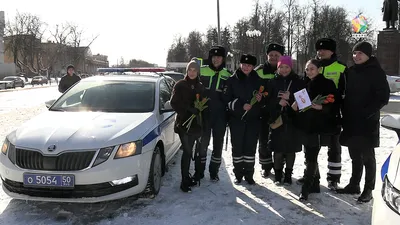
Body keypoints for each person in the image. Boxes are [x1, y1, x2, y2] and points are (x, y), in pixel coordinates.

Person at [336, 41, 390, 203]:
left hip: (367, 122)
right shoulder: (350, 71)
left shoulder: (376, 72)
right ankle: (354, 184)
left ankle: (368, 189)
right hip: (351, 120)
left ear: (368, 55)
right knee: (354, 155)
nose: (356, 56)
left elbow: (383, 97)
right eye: (354, 53)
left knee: (367, 156)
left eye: (360, 53)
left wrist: (367, 112)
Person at [298, 38, 347, 190]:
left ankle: (333, 178)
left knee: (334, 147)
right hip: (312, 117)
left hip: (331, 114)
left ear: (332, 51)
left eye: (324, 49)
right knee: (311, 147)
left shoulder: (341, 68)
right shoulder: (311, 66)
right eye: (319, 49)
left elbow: (345, 91)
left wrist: (335, 108)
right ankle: (311, 175)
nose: (321, 51)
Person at [292, 59, 339, 200]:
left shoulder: (327, 83)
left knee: (311, 156)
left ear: (319, 69)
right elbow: (299, 102)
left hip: (319, 126)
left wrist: (322, 107)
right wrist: (295, 105)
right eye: (307, 69)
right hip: (305, 125)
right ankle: (315, 183)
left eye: (312, 69)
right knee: (308, 154)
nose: (309, 71)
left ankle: (306, 188)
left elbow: (335, 104)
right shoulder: (304, 83)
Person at [223, 54, 264, 184]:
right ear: (240, 64)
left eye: (249, 65)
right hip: (237, 120)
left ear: (253, 67)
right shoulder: (231, 80)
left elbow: (265, 100)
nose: (246, 67)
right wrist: (241, 106)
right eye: (244, 65)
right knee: (237, 148)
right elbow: (226, 100)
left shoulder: (258, 80)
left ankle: (249, 174)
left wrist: (260, 99)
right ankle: (238, 174)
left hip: (253, 120)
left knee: (250, 148)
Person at [170, 59, 206, 192]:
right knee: (187, 151)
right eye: (189, 70)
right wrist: (188, 109)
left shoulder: (200, 86)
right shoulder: (180, 85)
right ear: (186, 71)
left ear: (198, 72)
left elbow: (203, 104)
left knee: (193, 150)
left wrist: (200, 110)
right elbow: (173, 102)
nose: (192, 72)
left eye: (194, 70)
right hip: (183, 124)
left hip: (195, 124)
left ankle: (191, 176)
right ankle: (184, 180)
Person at [198, 46, 232, 182]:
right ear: (210, 58)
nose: (216, 59)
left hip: (220, 115)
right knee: (202, 144)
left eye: (219, 57)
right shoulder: (202, 70)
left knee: (218, 145)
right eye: (214, 57)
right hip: (204, 114)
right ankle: (199, 171)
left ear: (223, 59)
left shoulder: (228, 74)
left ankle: (214, 171)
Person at [268, 56, 303, 185]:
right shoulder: (272, 82)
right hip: (277, 120)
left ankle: (288, 174)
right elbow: (267, 101)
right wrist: (278, 102)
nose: (284, 70)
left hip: (293, 121)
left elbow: (304, 101)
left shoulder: (298, 81)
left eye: (286, 67)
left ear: (291, 67)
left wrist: (291, 98)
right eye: (281, 67)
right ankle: (277, 174)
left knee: (290, 150)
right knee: (278, 150)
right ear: (277, 68)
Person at [255, 43, 284, 178]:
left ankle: (279, 166)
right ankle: (265, 166)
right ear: (267, 56)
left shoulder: (284, 69)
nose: (273, 57)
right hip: (262, 111)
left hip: (280, 111)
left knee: (279, 140)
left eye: (276, 55)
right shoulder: (259, 71)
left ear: (281, 57)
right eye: (271, 55)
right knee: (264, 140)